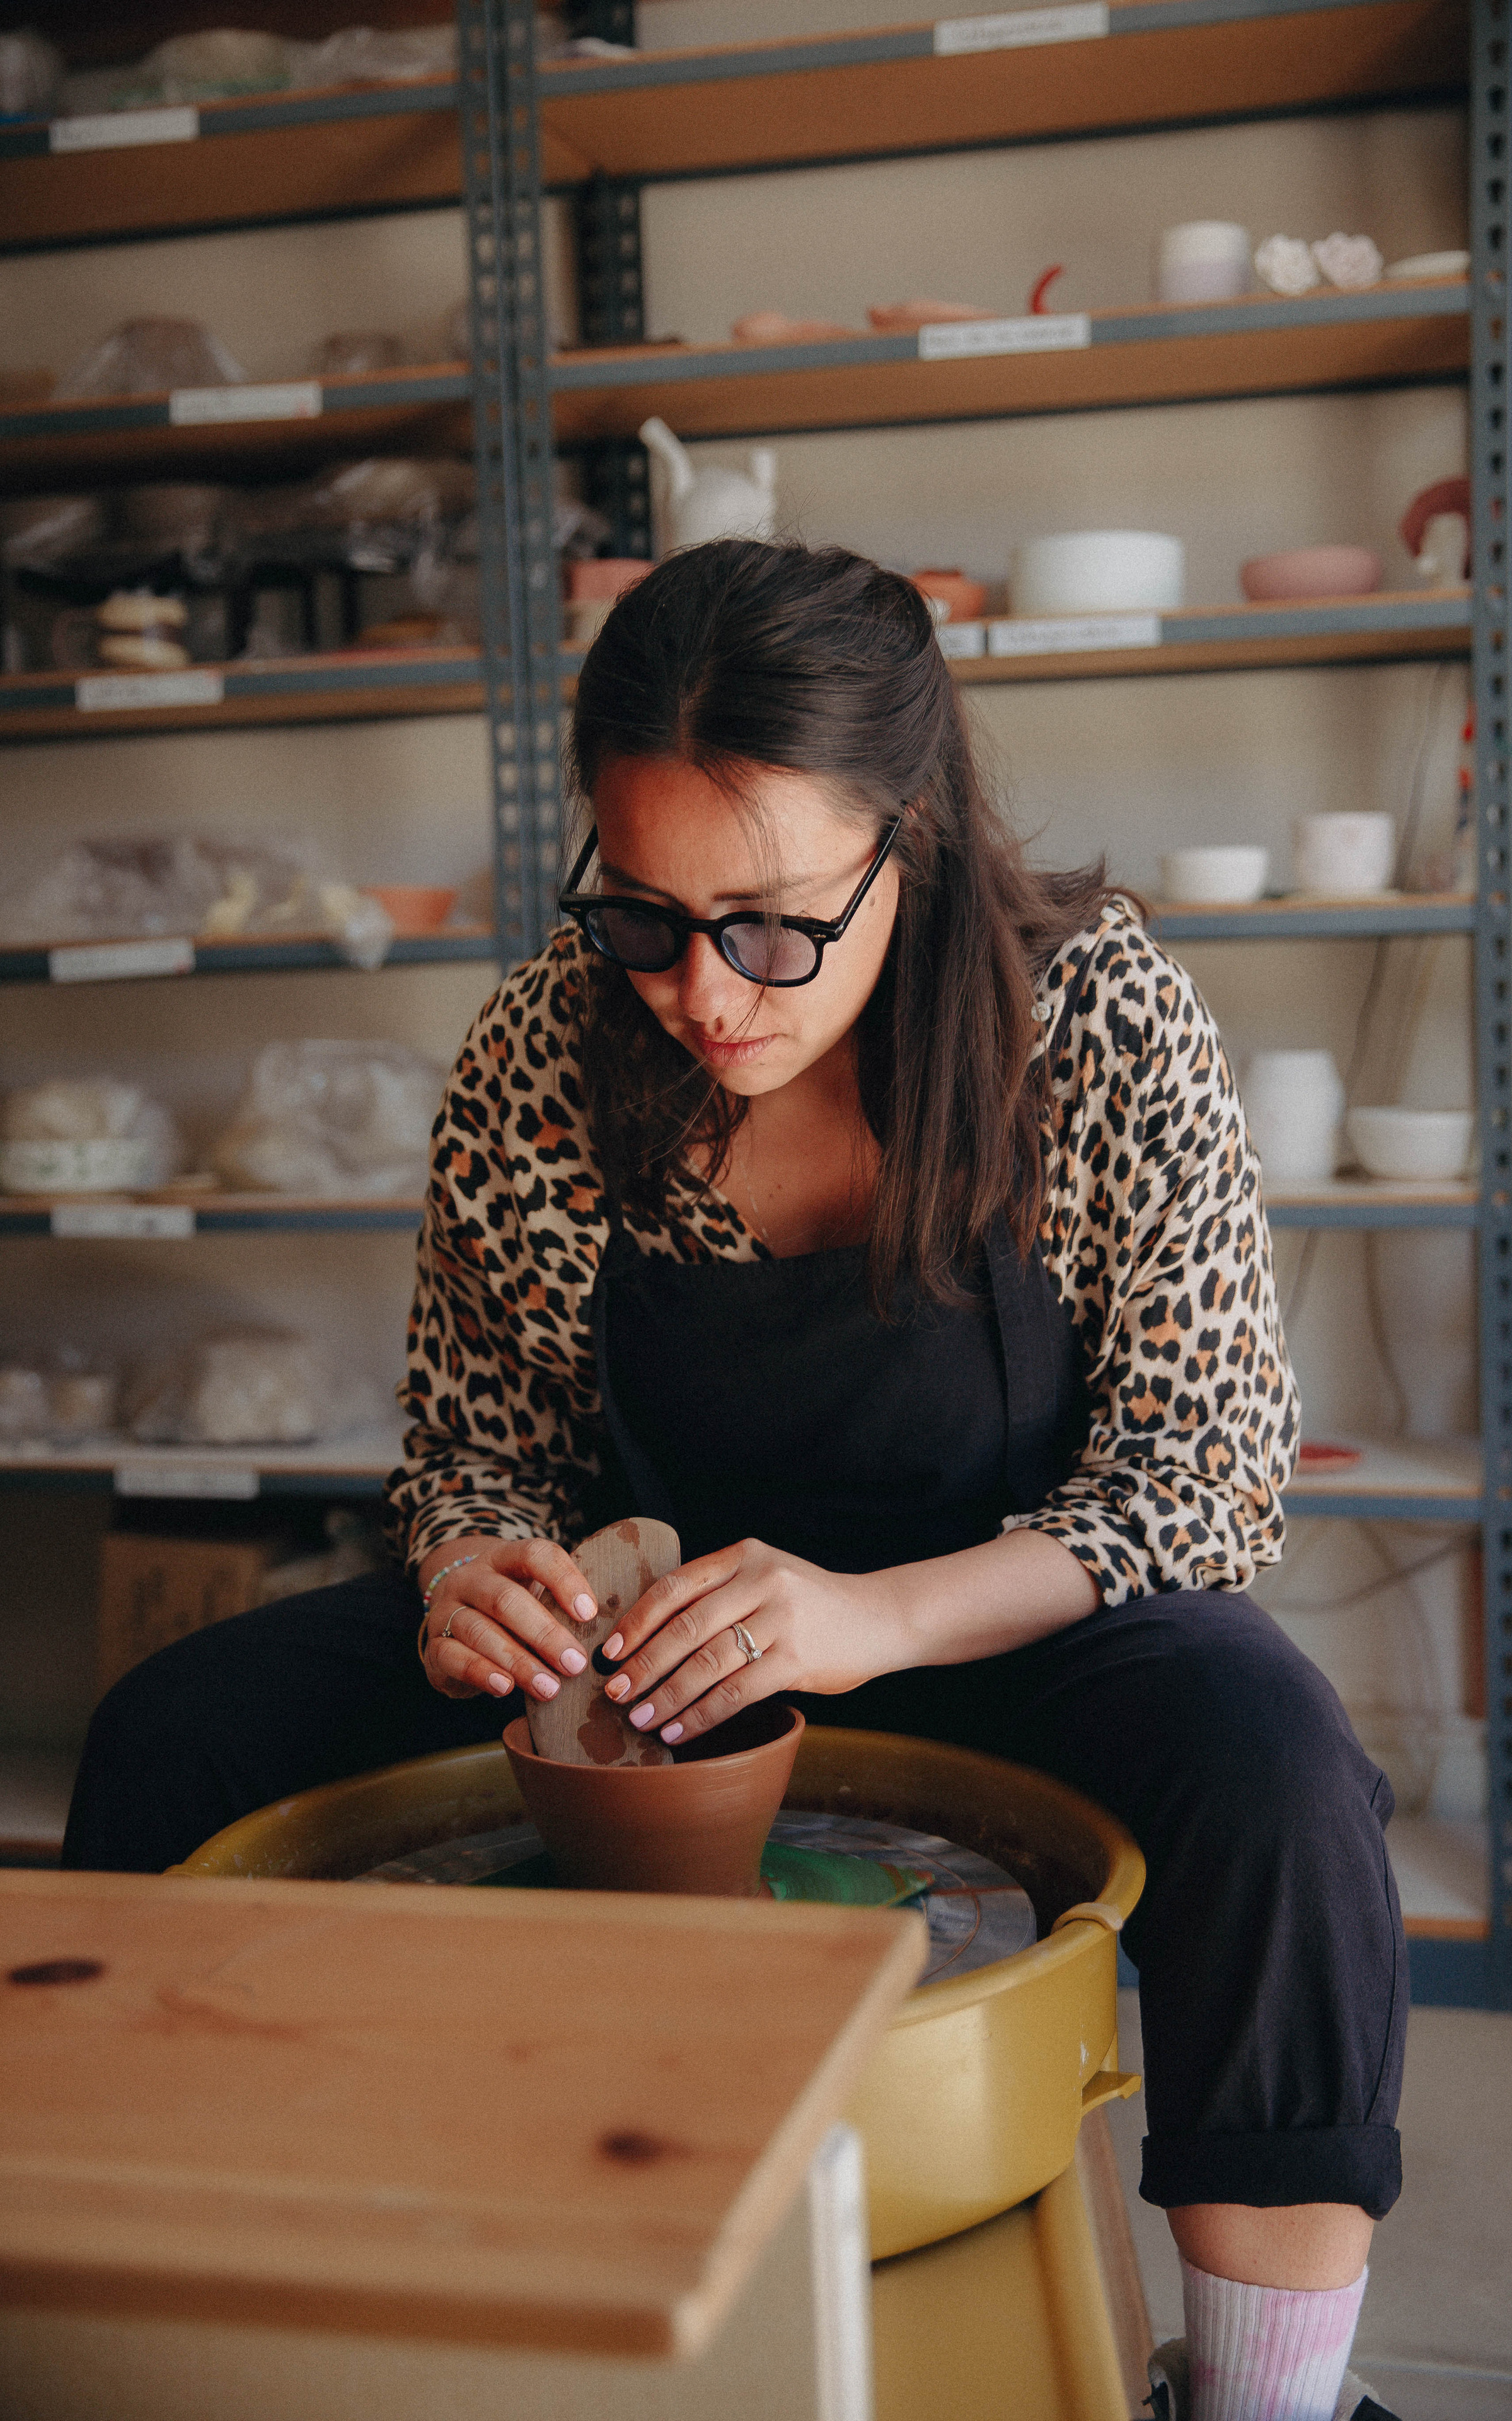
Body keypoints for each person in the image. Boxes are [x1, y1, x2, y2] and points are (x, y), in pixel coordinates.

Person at [65, 540, 1405, 2421]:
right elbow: (475, 1439)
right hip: (644, 1649)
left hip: (995, 1610)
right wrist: (478, 1568)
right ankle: (168, 2324)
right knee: (171, 1739)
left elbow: (1210, 1477)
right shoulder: (547, 1043)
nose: (703, 991)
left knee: (1279, 1769)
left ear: (909, 843)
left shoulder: (1090, 1023)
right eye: (646, 914)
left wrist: (876, 1617)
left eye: (775, 923)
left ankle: (1265, 2400)